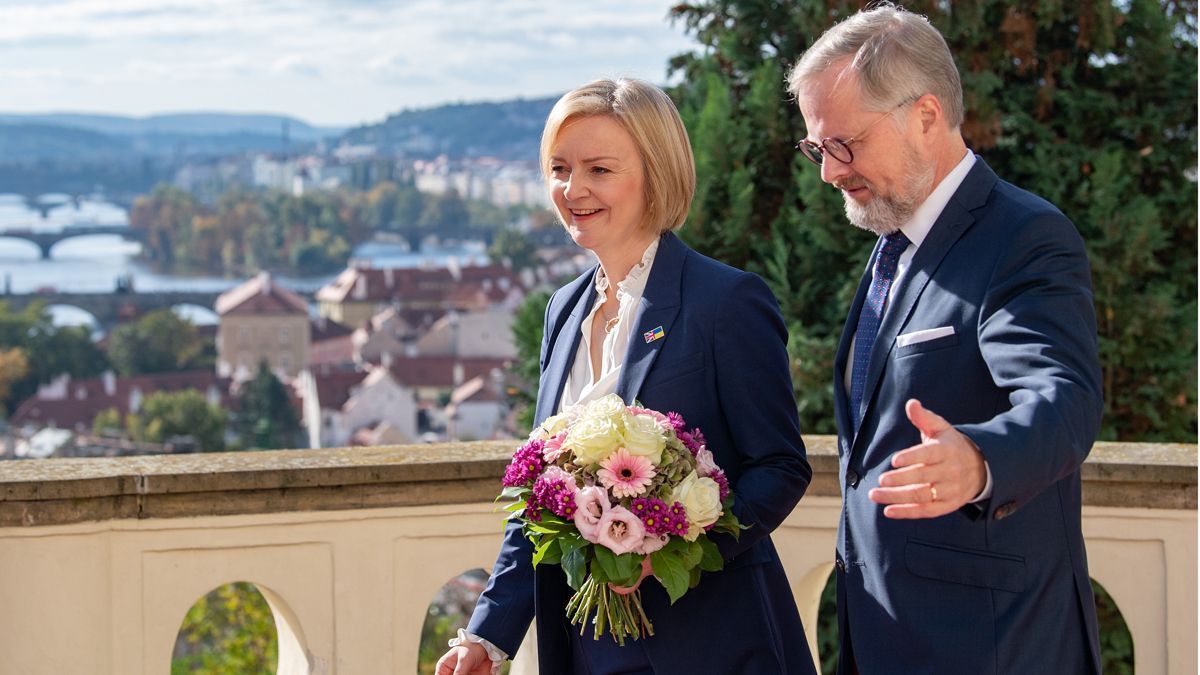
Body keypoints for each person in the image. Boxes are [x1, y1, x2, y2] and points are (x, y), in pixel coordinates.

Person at [436, 78, 817, 674]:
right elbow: (540, 499)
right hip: (587, 649)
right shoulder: (562, 311)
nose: (573, 189)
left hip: (713, 646)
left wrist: (674, 547)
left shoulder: (727, 301)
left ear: (656, 174)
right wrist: (489, 637)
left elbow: (780, 467)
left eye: (599, 170)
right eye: (559, 168)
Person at [787, 4, 1104, 674]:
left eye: (845, 144)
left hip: (990, 646)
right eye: (818, 148)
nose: (829, 172)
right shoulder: (891, 242)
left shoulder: (1023, 236)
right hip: (881, 637)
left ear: (925, 116)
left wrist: (982, 458)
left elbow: (1064, 398)